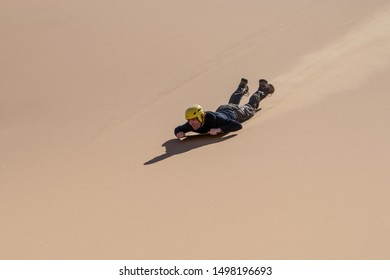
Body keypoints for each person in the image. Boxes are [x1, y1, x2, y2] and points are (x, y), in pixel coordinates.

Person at [174, 78, 275, 139]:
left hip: (236, 113)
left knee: (251, 106)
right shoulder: (191, 125)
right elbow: (178, 128)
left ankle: (264, 88)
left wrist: (219, 129)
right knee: (231, 103)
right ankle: (242, 88)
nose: (191, 123)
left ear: (201, 116)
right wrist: (178, 133)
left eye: (194, 119)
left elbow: (237, 125)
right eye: (189, 120)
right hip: (223, 108)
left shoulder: (217, 120)